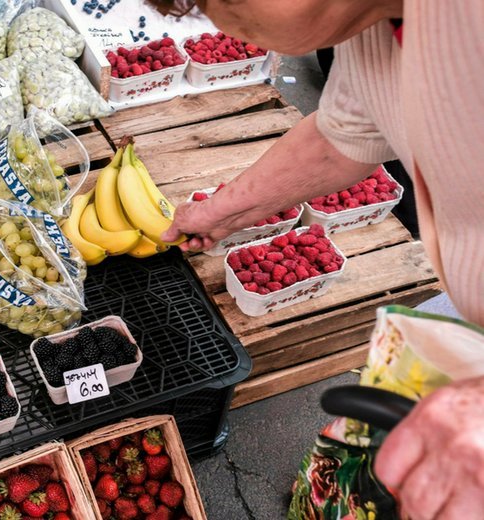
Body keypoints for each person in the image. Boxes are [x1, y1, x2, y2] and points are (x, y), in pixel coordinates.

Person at [147, 0, 484, 518]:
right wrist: (221, 212)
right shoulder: (369, 25)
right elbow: (344, 135)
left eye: (222, 0)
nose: (219, 23)